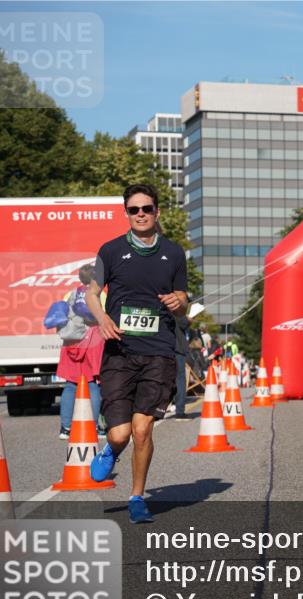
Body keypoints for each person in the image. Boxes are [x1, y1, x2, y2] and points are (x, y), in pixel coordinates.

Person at [86, 183, 188, 524]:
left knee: (143, 430)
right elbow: (92, 292)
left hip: (159, 352)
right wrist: (102, 319)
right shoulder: (111, 251)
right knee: (121, 434)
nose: (141, 214)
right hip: (119, 351)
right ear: (126, 214)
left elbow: (183, 297)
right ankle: (111, 450)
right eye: (134, 209)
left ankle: (136, 496)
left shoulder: (173, 253)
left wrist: (179, 301)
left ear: (157, 212)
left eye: (147, 208)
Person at [57, 264, 106, 438]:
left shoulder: (69, 294)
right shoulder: (100, 294)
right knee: (93, 385)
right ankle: (92, 427)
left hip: (71, 343)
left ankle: (66, 428)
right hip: (92, 343)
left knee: (70, 385)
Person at [171, 314, 191, 420]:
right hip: (177, 349)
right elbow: (183, 323)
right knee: (180, 379)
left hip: (161, 347)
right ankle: (179, 410)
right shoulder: (176, 309)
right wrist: (189, 319)